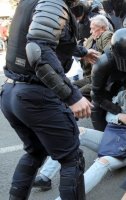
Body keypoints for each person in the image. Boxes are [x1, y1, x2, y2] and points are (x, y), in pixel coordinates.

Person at [0, 0, 99, 199]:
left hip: (12, 91)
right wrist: (72, 96)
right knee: (72, 159)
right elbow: (38, 49)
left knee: (35, 152)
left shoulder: (30, 2)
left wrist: (82, 52)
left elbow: (50, 38)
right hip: (34, 96)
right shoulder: (53, 2)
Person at [33, 78, 126, 196]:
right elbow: (108, 116)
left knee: (102, 162)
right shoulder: (123, 96)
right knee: (78, 132)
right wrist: (119, 117)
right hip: (112, 138)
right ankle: (45, 177)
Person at [73, 14, 113, 100]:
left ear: (102, 28)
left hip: (101, 80)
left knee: (77, 94)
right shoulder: (91, 38)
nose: (90, 31)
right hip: (89, 77)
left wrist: (88, 54)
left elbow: (107, 57)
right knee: (71, 87)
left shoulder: (107, 35)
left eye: (93, 29)